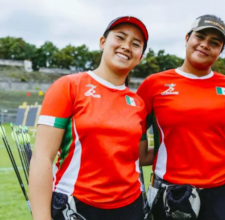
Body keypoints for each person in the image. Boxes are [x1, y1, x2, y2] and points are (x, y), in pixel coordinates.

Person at [29, 16, 150, 220]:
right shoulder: (68, 86)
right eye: (120, 37)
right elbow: (42, 157)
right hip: (76, 205)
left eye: (136, 44)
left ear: (140, 57)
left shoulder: (138, 103)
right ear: (103, 42)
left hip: (131, 207)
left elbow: (141, 156)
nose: (126, 46)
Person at [136, 14, 225, 220]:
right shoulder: (154, 85)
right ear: (187, 38)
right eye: (200, 37)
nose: (205, 45)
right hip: (172, 189)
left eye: (214, 43)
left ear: (220, 51)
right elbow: (134, 137)